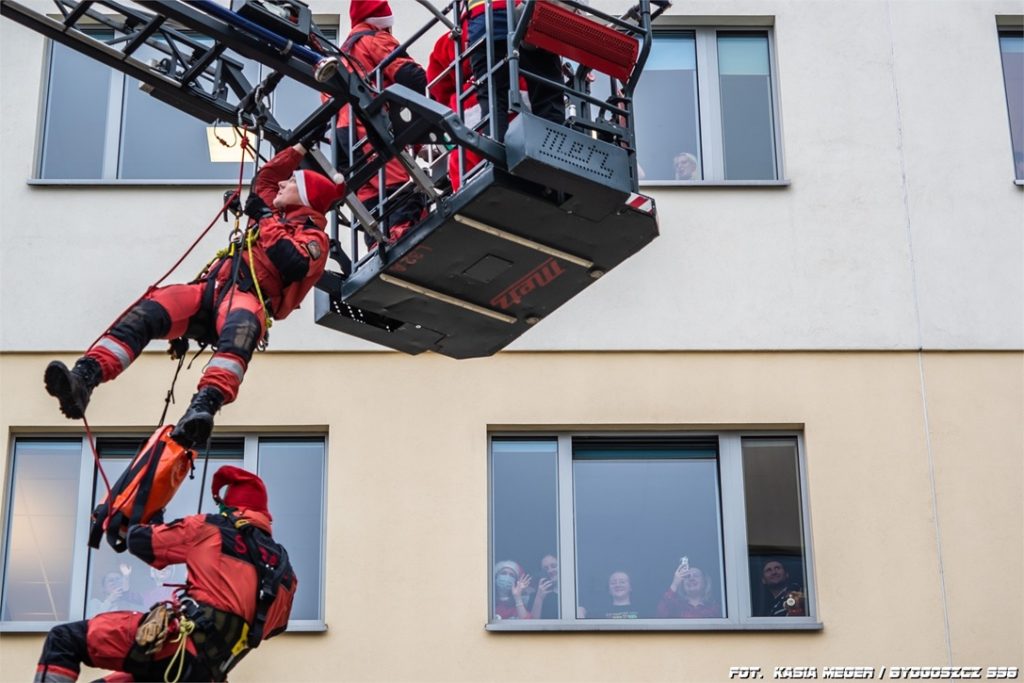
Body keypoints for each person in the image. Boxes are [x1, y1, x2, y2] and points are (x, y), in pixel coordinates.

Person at [44, 141, 342, 449]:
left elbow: (291, 263)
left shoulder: (313, 237)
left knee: (243, 327)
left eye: (292, 182)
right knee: (151, 308)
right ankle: (85, 377)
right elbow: (267, 178)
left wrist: (264, 218)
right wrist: (300, 148)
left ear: (305, 198)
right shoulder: (273, 213)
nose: (283, 183)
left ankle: (203, 408)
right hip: (211, 291)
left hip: (246, 298)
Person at [33, 466, 296, 682]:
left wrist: (147, 518)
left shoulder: (212, 528)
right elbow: (272, 628)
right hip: (206, 673)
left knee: (65, 639)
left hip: (174, 647)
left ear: (229, 507)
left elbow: (141, 542)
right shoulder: (286, 576)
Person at [333, 0, 428, 243]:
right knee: (403, 184)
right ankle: (404, 236)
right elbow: (412, 77)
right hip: (369, 126)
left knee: (371, 194)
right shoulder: (374, 38)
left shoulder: (341, 57)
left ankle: (377, 244)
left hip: (344, 136)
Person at [464, 0, 565, 142]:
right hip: (526, 17)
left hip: (484, 26)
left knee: (493, 98)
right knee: (547, 92)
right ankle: (554, 146)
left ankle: (495, 155)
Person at [655, 561, 721, 619]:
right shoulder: (676, 607)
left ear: (705, 582)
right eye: (687, 576)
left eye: (696, 575)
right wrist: (674, 584)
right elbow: (660, 615)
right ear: (682, 584)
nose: (691, 578)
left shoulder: (714, 608)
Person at [530, 553, 559, 619]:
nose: (550, 570)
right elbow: (532, 624)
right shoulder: (535, 596)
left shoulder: (576, 591)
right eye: (545, 569)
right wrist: (539, 598)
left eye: (554, 566)